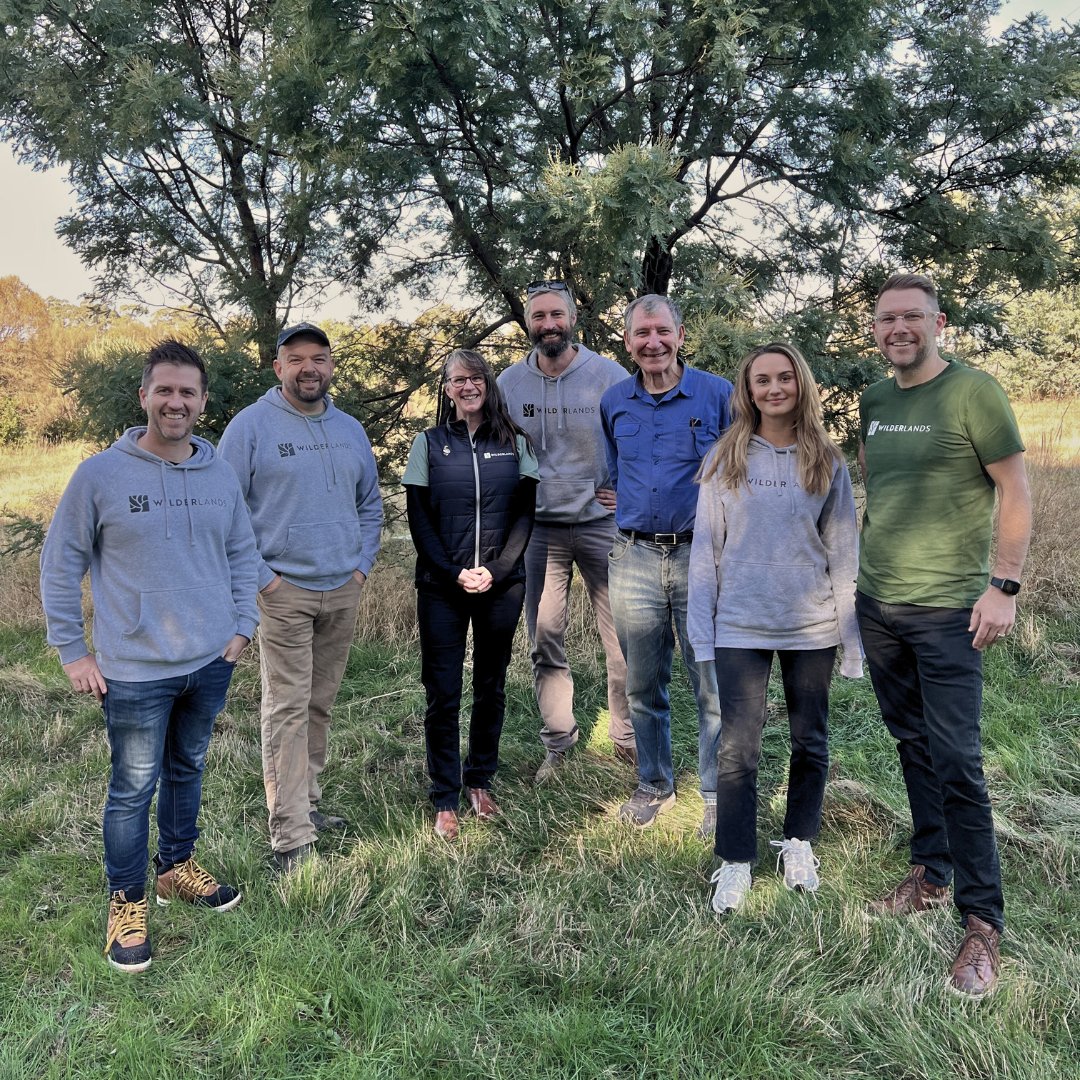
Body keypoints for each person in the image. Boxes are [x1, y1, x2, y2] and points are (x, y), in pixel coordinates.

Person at [40, 341, 259, 973]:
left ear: (202, 402)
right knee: (133, 788)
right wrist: (73, 651)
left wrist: (242, 626)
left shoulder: (217, 473)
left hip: (210, 659)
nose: (176, 402)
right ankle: (127, 900)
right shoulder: (99, 476)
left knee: (187, 769)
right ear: (144, 396)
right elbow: (60, 566)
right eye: (164, 390)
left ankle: (176, 866)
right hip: (134, 667)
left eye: (187, 392)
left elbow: (243, 551)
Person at [858, 273, 1031, 997]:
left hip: (949, 612)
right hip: (879, 606)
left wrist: (1004, 587)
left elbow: (1017, 492)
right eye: (886, 319)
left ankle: (982, 923)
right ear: (874, 330)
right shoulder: (873, 399)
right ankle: (931, 870)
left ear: (939, 322)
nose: (899, 328)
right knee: (911, 743)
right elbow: (877, 490)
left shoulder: (974, 392)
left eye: (912, 317)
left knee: (957, 758)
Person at [687, 343, 863, 915]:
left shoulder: (827, 461)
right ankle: (736, 858)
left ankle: (798, 842)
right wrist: (701, 631)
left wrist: (851, 639)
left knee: (810, 738)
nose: (774, 388)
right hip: (740, 622)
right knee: (738, 746)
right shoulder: (724, 459)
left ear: (800, 384)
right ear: (748, 389)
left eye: (784, 377)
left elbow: (844, 554)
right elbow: (705, 553)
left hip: (810, 625)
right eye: (762, 380)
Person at [218, 323, 382, 874]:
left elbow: (370, 506)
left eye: (319, 358)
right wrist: (263, 579)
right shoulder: (251, 427)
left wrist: (360, 568)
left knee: (319, 703)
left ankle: (307, 804)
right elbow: (227, 510)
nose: (308, 368)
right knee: (286, 707)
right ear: (278, 367)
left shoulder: (350, 429)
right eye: (296, 359)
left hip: (342, 589)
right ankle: (290, 835)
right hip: (282, 592)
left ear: (332, 365)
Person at [600, 294, 732, 832]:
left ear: (680, 335)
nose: (652, 342)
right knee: (642, 684)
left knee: (712, 683)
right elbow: (611, 475)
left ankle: (717, 793)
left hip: (701, 555)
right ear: (628, 342)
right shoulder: (614, 402)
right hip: (633, 557)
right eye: (641, 333)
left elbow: (738, 470)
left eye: (662, 331)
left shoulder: (719, 394)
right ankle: (654, 785)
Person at [497, 280, 635, 782]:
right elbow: (496, 450)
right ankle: (558, 743)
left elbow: (635, 438)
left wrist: (629, 492)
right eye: (539, 317)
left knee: (621, 641)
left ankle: (627, 737)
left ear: (573, 318)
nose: (548, 324)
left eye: (557, 315)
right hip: (540, 532)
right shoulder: (508, 383)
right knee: (544, 640)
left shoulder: (608, 375)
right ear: (528, 323)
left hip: (602, 526)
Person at [402, 349, 539, 839]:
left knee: (491, 685)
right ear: (446, 389)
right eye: (457, 379)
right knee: (442, 691)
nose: (467, 386)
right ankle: (444, 794)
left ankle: (480, 779)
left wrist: (497, 571)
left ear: (488, 383)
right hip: (442, 586)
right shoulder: (428, 442)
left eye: (475, 377)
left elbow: (526, 515)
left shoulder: (515, 441)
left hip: (502, 585)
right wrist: (454, 571)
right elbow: (419, 517)